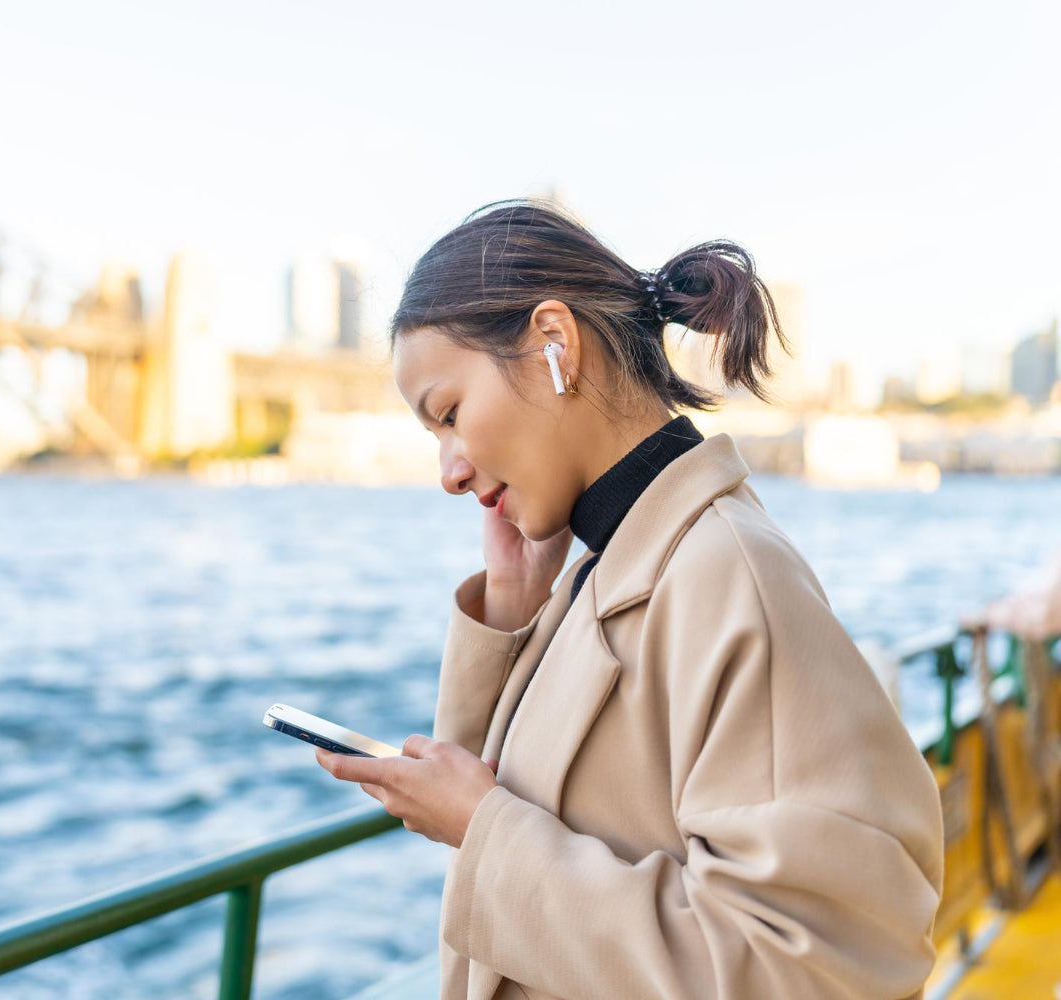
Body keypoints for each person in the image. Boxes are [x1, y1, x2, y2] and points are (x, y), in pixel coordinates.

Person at [313, 199, 944, 1000]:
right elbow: (515, 792)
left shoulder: (728, 574)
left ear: (553, 342)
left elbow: (813, 965)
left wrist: (485, 832)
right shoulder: (605, 567)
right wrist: (510, 602)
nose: (449, 470)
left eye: (449, 414)